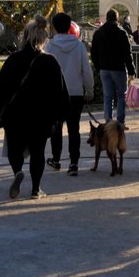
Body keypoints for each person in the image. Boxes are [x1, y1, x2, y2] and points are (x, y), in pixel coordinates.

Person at [0, 17, 69, 199]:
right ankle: (35, 189)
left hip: (15, 115)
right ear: (44, 38)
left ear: (25, 37)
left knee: (15, 148)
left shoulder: (13, 60)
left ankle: (17, 171)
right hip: (41, 116)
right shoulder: (50, 61)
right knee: (38, 152)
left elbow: (1, 88)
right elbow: (60, 91)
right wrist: (60, 116)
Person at [44, 12, 93, 176]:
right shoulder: (79, 46)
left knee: (56, 128)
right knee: (74, 129)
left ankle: (56, 159)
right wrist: (90, 89)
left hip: (55, 94)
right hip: (76, 93)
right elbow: (86, 70)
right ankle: (74, 163)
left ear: (55, 27)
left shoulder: (49, 46)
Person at [90, 9, 136, 126]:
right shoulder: (121, 33)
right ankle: (120, 122)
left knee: (107, 96)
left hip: (104, 69)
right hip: (118, 69)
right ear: (117, 19)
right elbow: (127, 54)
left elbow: (93, 52)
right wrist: (131, 70)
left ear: (106, 18)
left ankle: (108, 122)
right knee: (121, 95)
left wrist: (98, 66)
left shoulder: (98, 33)